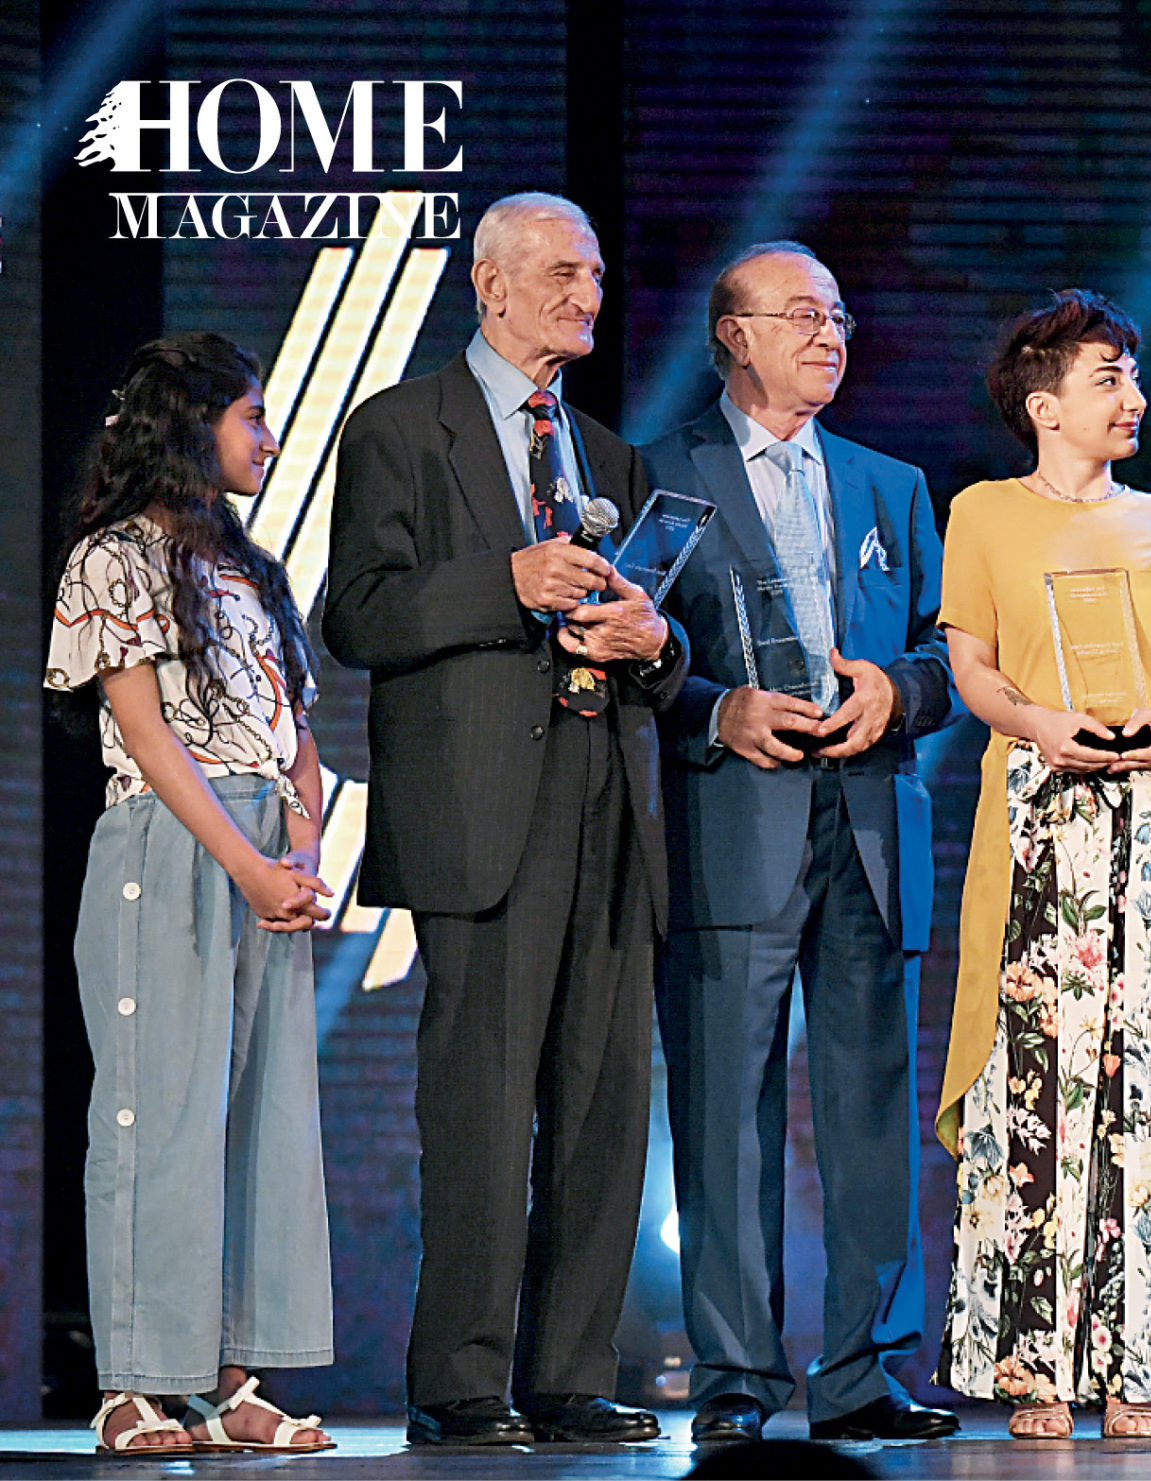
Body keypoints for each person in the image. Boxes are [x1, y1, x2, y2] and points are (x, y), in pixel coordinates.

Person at [322, 192, 685, 1447]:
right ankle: (460, 1379)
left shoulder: (607, 451)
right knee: (480, 1100)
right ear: (490, 285)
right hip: (479, 811)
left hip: (609, 801)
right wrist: (508, 581)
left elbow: (658, 634)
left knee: (601, 1102)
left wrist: (657, 638)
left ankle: (571, 1371)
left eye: (593, 276)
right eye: (564, 276)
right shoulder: (399, 429)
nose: (588, 296)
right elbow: (357, 614)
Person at [644, 241, 959, 1446]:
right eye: (800, 316)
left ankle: (870, 1367)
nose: (830, 335)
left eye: (839, 315)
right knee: (728, 1102)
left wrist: (900, 692)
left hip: (870, 813)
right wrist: (715, 707)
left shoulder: (889, 482)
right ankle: (735, 1371)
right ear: (732, 335)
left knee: (875, 1100)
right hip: (735, 811)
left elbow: (947, 652)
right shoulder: (662, 471)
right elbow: (626, 650)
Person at [935, 289, 1151, 1441]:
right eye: (1109, 376)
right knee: (1038, 1083)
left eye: (1132, 375)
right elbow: (972, 666)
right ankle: (1034, 1366)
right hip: (1037, 806)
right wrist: (1039, 725)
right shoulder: (981, 514)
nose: (1135, 397)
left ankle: (1142, 1363)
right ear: (1042, 401)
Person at [47, 333, 336, 1456]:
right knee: (155, 1111)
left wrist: (298, 845)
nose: (264, 435)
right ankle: (132, 1379)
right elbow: (146, 732)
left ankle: (226, 1373)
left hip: (264, 839)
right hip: (174, 841)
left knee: (257, 1113)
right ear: (188, 423)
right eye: (248, 414)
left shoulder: (247, 565)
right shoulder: (113, 555)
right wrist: (245, 859)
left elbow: (295, 722)